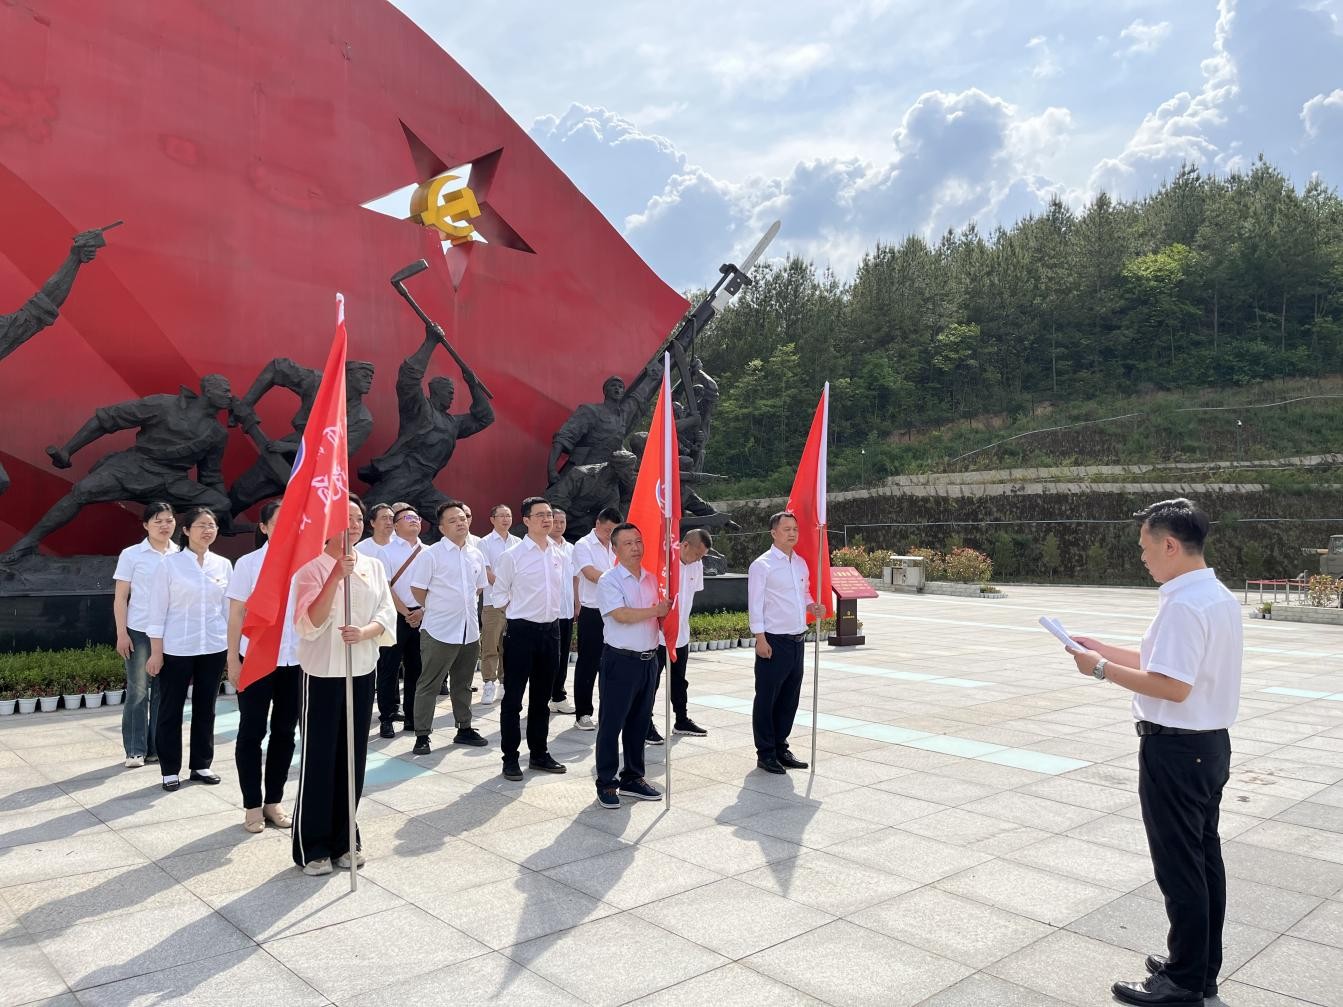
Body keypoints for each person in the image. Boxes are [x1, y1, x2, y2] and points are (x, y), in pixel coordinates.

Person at [1063, 499, 1240, 1006]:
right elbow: (1161, 661)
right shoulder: (1215, 595)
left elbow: (1172, 686)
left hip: (1177, 751)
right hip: (1208, 746)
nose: (1142, 557)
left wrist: (1099, 670)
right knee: (1203, 860)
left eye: (1145, 547)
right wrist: (1102, 649)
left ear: (1169, 545)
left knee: (1180, 867)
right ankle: (1199, 967)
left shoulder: (1183, 605)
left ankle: (1182, 981)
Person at [291, 495, 396, 877]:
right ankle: (313, 845)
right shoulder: (310, 569)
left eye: (357, 519)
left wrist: (366, 631)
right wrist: (336, 576)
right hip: (322, 674)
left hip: (361, 669)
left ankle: (345, 838)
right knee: (320, 759)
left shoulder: (373, 566)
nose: (353, 525)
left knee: (353, 757)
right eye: (345, 518)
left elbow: (386, 612)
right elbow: (308, 622)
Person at [145, 507, 232, 792]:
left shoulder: (223, 565)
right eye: (201, 525)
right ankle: (170, 769)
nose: (208, 530)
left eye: (212, 525)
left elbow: (228, 611)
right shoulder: (169, 565)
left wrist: (232, 649)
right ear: (186, 530)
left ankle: (201, 764)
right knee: (171, 709)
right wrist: (156, 652)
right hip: (177, 647)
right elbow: (157, 611)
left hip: (214, 645)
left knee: (206, 707)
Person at [225, 500, 299, 834]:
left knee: (285, 732)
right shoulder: (249, 564)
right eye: (279, 522)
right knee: (252, 732)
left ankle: (274, 801)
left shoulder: (307, 563)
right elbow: (236, 614)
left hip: (295, 660)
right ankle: (252, 805)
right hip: (256, 659)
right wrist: (232, 659)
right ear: (264, 527)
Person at [491, 497, 568, 781]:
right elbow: (499, 595)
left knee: (541, 698)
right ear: (525, 520)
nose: (547, 520)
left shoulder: (559, 553)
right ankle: (510, 758)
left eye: (549, 514)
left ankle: (539, 753)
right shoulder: (512, 556)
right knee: (513, 699)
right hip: (521, 632)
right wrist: (517, 612)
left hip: (551, 631)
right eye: (540, 515)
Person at [593, 523, 669, 808]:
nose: (635, 548)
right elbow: (621, 615)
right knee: (612, 724)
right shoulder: (609, 580)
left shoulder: (652, 578)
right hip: (620, 661)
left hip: (649, 661)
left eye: (638, 541)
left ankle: (633, 777)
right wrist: (656, 611)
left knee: (639, 722)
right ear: (615, 549)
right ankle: (606, 782)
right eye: (627, 543)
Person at [408, 500, 489, 754]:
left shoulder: (476, 553)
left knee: (463, 683)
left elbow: (478, 587)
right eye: (453, 520)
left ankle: (464, 727)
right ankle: (422, 734)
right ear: (442, 528)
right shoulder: (431, 555)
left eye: (463, 518)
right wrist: (438, 607)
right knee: (429, 684)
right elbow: (417, 590)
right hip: (439, 630)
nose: (460, 523)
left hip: (469, 630)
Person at [747, 511, 824, 775]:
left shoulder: (800, 563)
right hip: (773, 641)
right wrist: (760, 638)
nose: (792, 533)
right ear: (773, 533)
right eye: (786, 529)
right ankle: (765, 752)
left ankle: (781, 746)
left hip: (797, 640)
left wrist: (812, 605)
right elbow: (755, 604)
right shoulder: (762, 566)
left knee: (789, 698)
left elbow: (804, 594)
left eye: (795, 529)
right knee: (767, 698)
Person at [112, 502, 178, 768]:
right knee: (138, 691)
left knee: (164, 692)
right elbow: (121, 598)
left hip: (171, 632)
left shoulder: (180, 554)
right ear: (145, 525)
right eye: (158, 521)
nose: (164, 526)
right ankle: (135, 750)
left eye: (169, 520)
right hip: (139, 631)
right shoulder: (131, 555)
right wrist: (122, 633)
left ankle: (156, 749)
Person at [370, 502, 424, 738]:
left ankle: (412, 717)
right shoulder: (386, 552)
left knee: (417, 669)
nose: (413, 521)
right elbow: (386, 587)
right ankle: (387, 718)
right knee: (389, 668)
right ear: (396, 525)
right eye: (407, 518)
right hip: (395, 616)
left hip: (422, 616)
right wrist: (406, 612)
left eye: (416, 518)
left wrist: (421, 610)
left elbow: (434, 585)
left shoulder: (429, 551)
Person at [657, 528, 712, 739]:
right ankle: (645, 722)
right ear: (685, 545)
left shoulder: (696, 565)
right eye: (697, 554)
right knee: (651, 682)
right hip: (658, 635)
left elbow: (690, 596)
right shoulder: (664, 561)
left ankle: (681, 720)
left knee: (679, 681)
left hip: (681, 633)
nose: (698, 559)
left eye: (702, 556)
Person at [572, 506, 621, 731]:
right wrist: (620, 580)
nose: (611, 534)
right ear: (597, 524)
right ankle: (583, 712)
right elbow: (590, 574)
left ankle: (608, 711)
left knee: (611, 663)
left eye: (614, 531)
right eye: (608, 530)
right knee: (588, 663)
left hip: (615, 611)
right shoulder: (583, 545)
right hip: (592, 611)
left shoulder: (617, 545)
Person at [478, 503, 519, 705]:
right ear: (492, 519)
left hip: (515, 604)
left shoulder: (518, 542)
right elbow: (486, 572)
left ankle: (504, 682)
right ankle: (488, 683)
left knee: (509, 646)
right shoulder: (484, 543)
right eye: (501, 515)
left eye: (508, 515)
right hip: (493, 602)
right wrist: (505, 587)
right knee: (490, 645)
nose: (505, 519)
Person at [547, 507, 579, 715]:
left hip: (566, 610)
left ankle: (558, 695)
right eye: (555, 521)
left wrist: (577, 602)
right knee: (549, 657)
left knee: (563, 655)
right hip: (549, 613)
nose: (559, 526)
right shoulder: (544, 547)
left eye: (562, 522)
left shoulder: (571, 548)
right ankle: (548, 695)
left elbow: (575, 578)